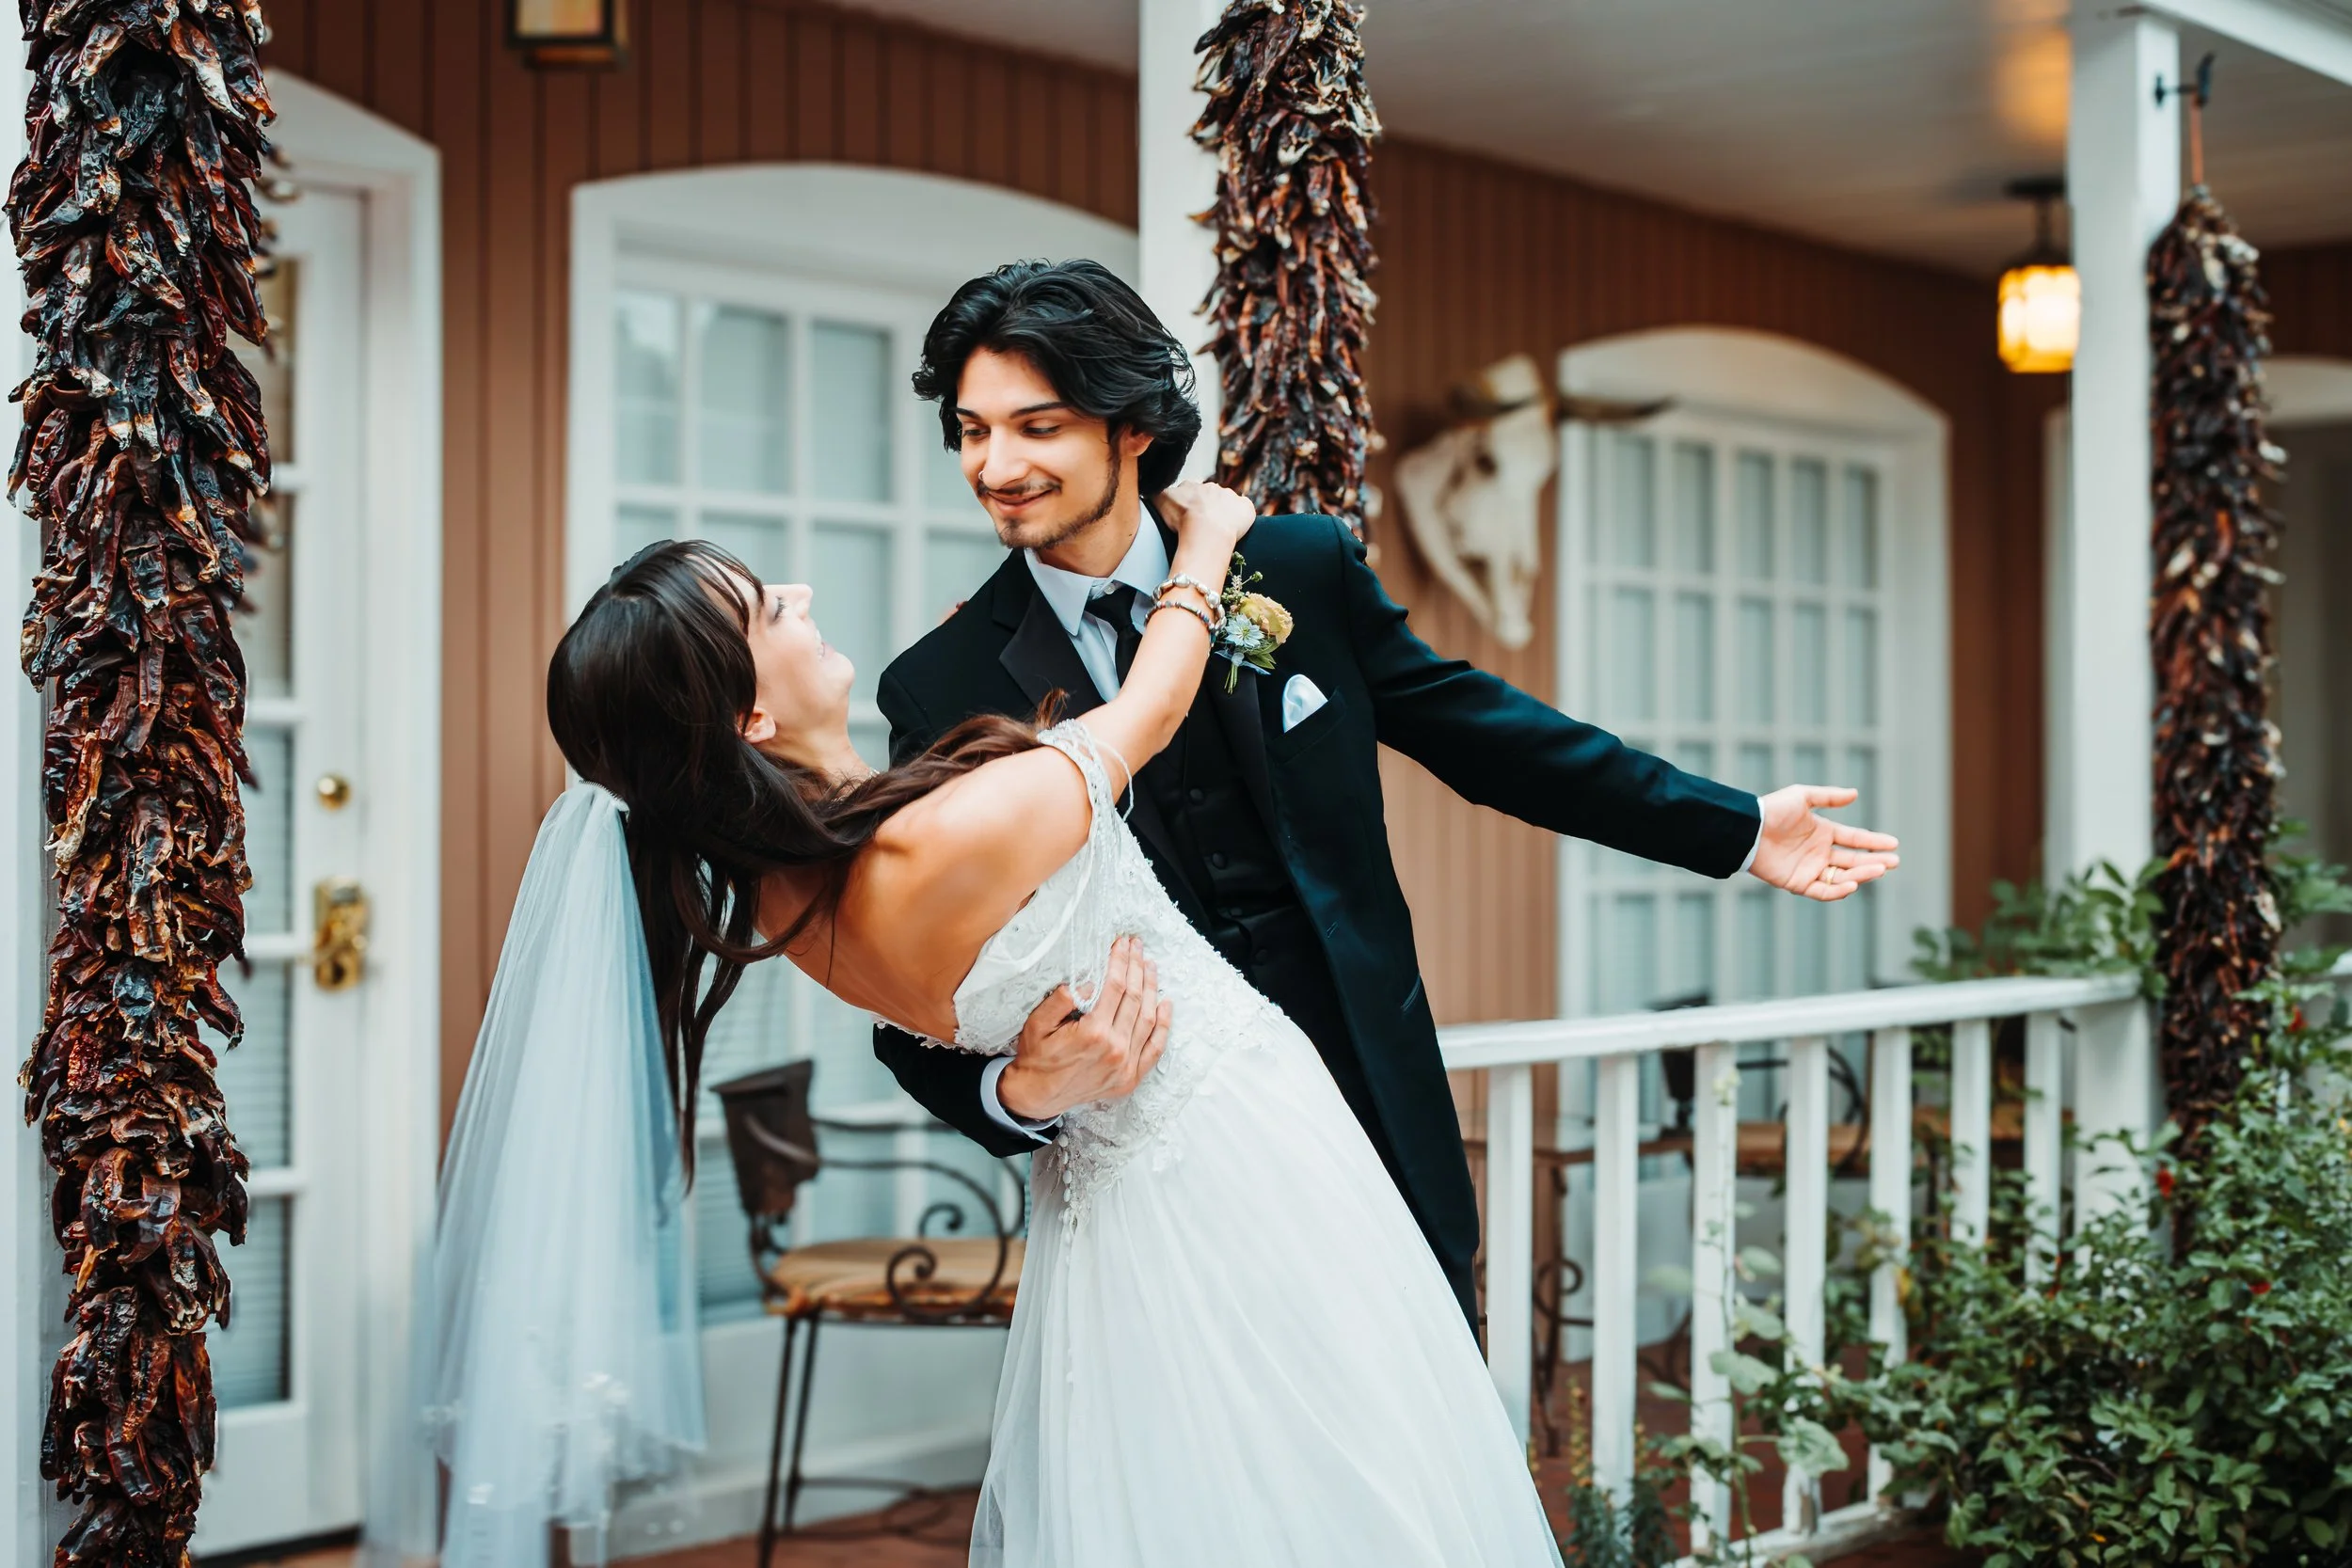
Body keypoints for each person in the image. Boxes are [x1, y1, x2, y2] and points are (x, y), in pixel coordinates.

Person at [871, 259, 1900, 1328]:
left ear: (1130, 427)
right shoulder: (940, 687)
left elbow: (1492, 736)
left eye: (1036, 426)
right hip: (1158, 1162)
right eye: (972, 430)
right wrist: (1014, 1094)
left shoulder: (1294, 570)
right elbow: (912, 989)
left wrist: (1733, 827)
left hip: (1371, 1106)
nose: (996, 463)